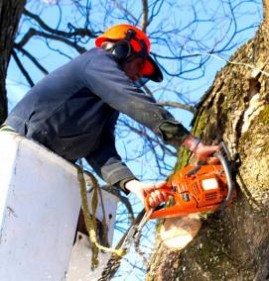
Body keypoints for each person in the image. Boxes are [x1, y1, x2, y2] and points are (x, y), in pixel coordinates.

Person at [3, 24, 219, 208]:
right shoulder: (96, 61)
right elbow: (132, 100)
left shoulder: (105, 103)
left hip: (44, 165)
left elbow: (101, 150)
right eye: (139, 65)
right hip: (16, 147)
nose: (137, 76)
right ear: (122, 50)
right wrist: (191, 142)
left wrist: (134, 186)